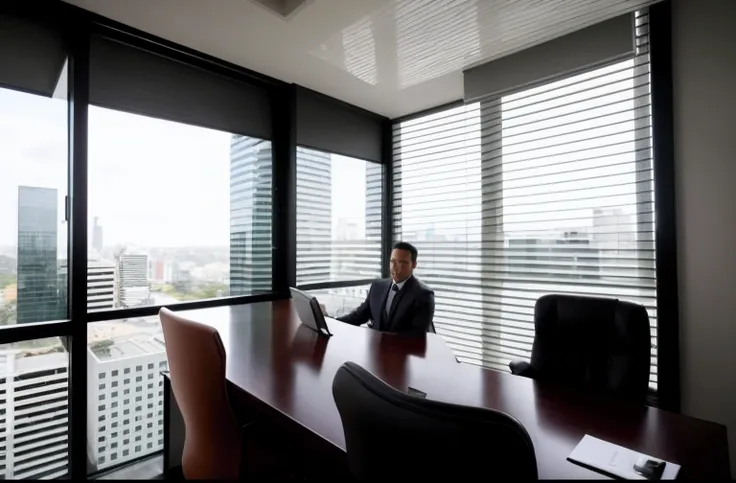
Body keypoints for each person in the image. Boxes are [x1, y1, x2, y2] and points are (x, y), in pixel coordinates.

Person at [337, 242, 435, 335]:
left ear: (414, 265)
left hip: (401, 351)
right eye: (393, 261)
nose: (395, 267)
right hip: (374, 348)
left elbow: (416, 334)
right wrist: (332, 321)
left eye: (402, 263)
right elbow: (359, 315)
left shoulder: (424, 295)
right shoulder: (377, 286)